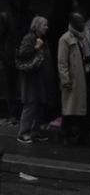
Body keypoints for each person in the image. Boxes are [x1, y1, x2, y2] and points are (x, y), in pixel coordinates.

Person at [15, 16, 54, 144]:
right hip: (31, 78)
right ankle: (23, 132)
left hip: (41, 78)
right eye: (44, 25)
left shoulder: (43, 39)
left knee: (39, 104)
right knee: (30, 104)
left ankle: (35, 131)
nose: (46, 27)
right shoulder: (29, 38)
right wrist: (36, 48)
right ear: (37, 26)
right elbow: (22, 54)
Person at [57, 12, 90, 145]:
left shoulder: (82, 38)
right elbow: (62, 62)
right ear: (73, 22)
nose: (83, 24)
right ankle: (65, 134)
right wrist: (65, 80)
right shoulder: (65, 39)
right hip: (73, 79)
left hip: (83, 76)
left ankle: (81, 135)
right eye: (81, 21)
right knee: (70, 109)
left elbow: (87, 56)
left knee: (81, 108)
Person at [0, 12, 20, 124]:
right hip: (9, 63)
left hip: (9, 64)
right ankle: (12, 114)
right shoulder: (9, 37)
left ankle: (12, 114)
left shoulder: (8, 37)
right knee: (11, 89)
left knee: (10, 89)